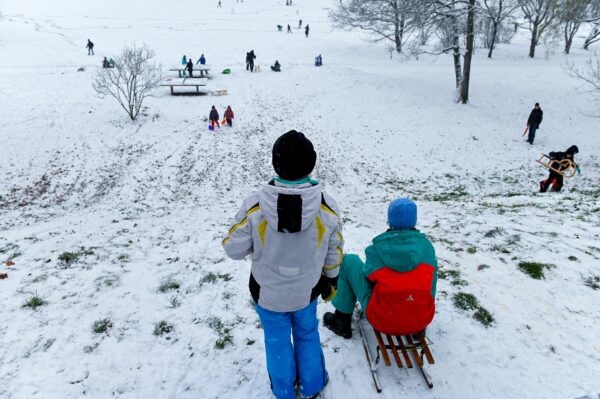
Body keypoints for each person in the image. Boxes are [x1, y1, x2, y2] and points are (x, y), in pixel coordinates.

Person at [223, 130, 343, 399]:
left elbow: (233, 248)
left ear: (276, 164)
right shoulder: (327, 207)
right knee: (307, 334)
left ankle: (284, 390)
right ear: (311, 164)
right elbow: (334, 250)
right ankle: (312, 385)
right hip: (306, 292)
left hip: (268, 294)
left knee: (276, 340)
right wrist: (331, 279)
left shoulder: (255, 206)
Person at [323, 198, 438, 339]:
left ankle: (341, 320)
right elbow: (431, 284)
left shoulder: (377, 250)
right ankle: (415, 319)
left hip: (383, 320)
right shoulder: (427, 249)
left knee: (349, 261)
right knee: (430, 275)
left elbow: (368, 277)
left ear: (390, 220)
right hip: (421, 319)